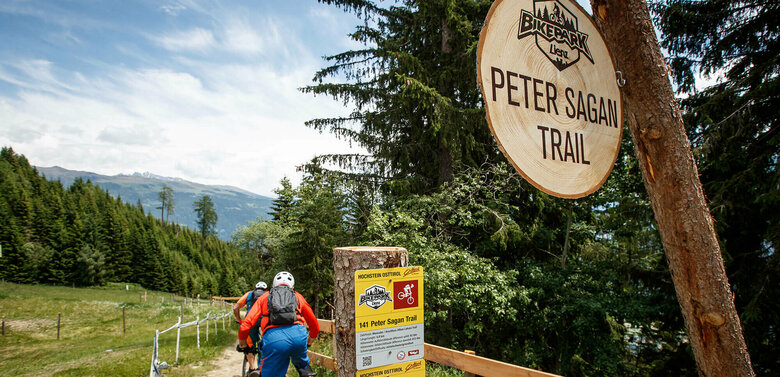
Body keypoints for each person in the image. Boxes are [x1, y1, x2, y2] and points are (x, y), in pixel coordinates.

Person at [238, 271, 319, 377]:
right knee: (302, 363)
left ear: (273, 284)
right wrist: (310, 340)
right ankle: (306, 371)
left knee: (271, 373)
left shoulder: (265, 297)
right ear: (292, 286)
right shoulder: (298, 297)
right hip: (299, 337)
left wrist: (242, 342)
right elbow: (313, 323)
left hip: (274, 340)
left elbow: (246, 324)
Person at [234, 281, 268, 375]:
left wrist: (239, 320)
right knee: (265, 344)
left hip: (250, 321)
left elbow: (235, 307)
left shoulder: (249, 294)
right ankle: (263, 369)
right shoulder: (269, 294)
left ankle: (252, 369)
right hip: (264, 321)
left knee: (249, 346)